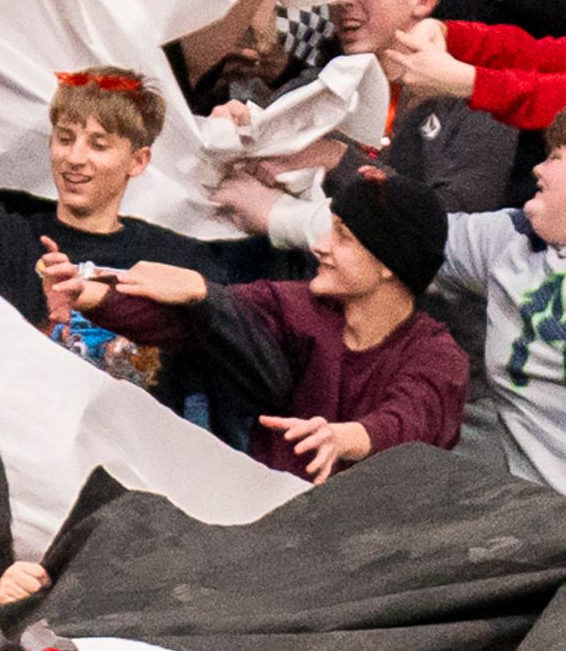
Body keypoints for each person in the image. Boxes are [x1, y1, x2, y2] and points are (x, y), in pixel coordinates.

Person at [57, 167, 467, 484]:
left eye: (343, 238)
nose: (320, 245)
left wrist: (343, 438)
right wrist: (90, 294)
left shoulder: (436, 355)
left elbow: (410, 420)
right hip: (265, 531)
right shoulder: (296, 306)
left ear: (386, 266)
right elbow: (194, 326)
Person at [0, 68, 220, 388]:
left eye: (98, 145)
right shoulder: (0, 240)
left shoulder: (177, 257)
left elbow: (237, 351)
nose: (75, 157)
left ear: (138, 161)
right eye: (65, 139)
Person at [437, 148, 566, 495]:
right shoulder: (515, 240)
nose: (537, 167)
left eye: (555, 157)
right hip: (531, 520)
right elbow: (408, 233)